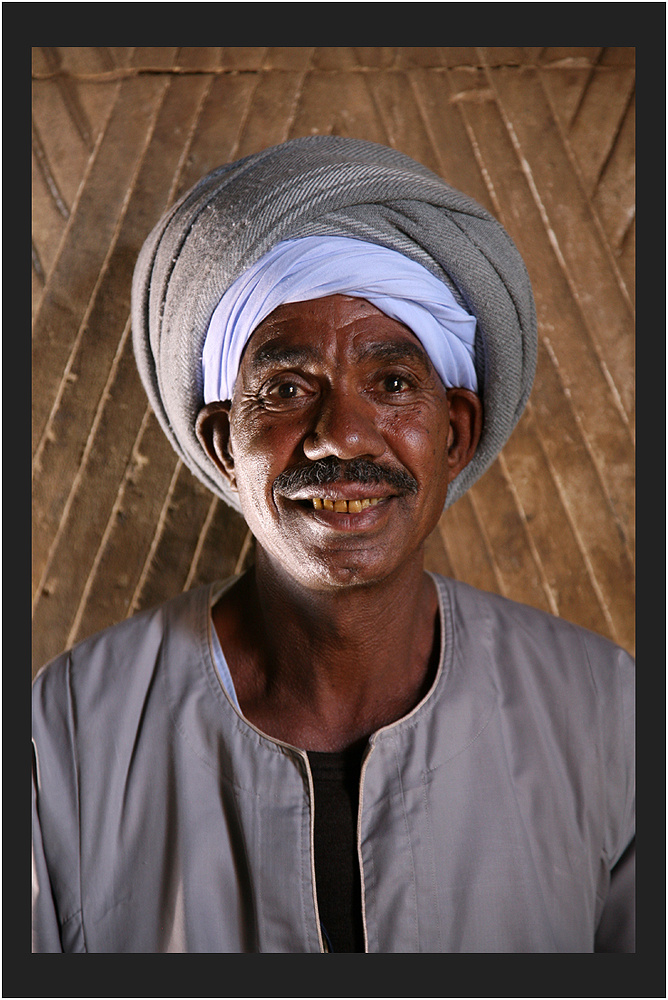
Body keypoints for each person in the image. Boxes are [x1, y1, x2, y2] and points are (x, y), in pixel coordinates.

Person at [31, 136, 634, 953]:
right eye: (284, 389)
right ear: (222, 445)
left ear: (455, 435)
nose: (339, 435)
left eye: (390, 384)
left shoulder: (607, 717)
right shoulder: (61, 739)